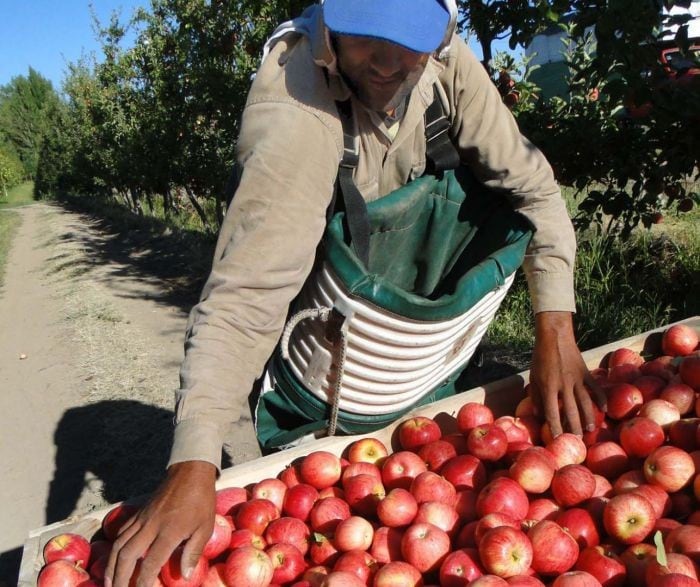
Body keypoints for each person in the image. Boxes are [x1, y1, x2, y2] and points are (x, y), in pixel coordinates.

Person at [105, 1, 605, 585]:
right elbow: (246, 298)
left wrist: (556, 325)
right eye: (368, 39)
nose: (390, 64)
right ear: (331, 28)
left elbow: (534, 191)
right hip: (328, 367)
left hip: (424, 349)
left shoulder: (445, 64)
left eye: (411, 42)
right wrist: (194, 461)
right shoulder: (297, 110)